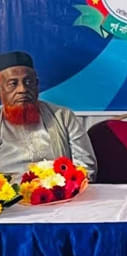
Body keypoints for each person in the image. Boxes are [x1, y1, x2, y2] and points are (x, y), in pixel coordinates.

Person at [0, 51, 97, 180]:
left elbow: (86, 168)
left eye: (28, 82)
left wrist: (66, 187)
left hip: (59, 190)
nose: (22, 89)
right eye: (13, 83)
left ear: (37, 85)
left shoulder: (63, 117)